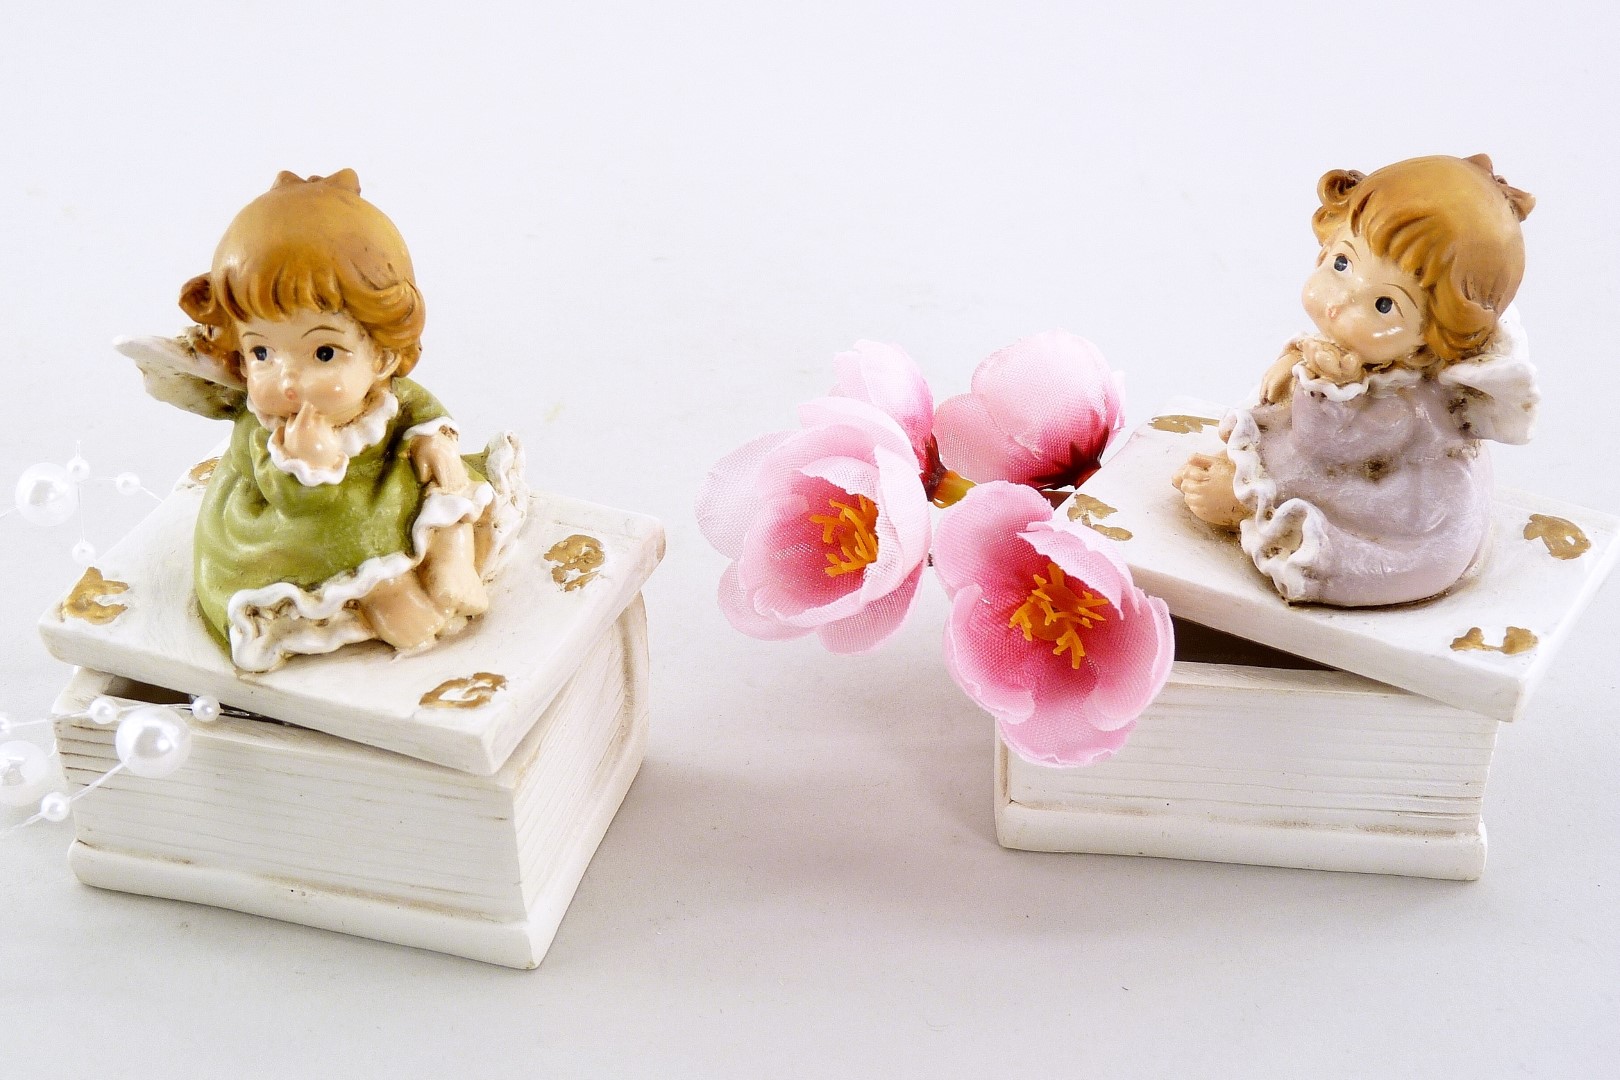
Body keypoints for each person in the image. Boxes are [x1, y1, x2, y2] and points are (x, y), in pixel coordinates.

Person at [122, 170, 525, 671]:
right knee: (352, 526)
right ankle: (388, 596)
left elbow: (417, 405)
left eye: (324, 352)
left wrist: (433, 439)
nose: (289, 379)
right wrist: (308, 465)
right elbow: (294, 504)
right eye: (262, 352)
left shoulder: (385, 394)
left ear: (382, 356)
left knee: (453, 481)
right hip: (286, 527)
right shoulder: (267, 428)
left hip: (376, 488)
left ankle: (451, 562)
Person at [1173, 155, 1537, 607]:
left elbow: (1328, 448)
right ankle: (1247, 482)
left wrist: (1325, 382)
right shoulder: (1375, 358)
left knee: (1319, 490)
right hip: (1353, 462)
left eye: (1384, 304)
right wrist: (1300, 360)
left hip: (1403, 511)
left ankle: (1248, 505)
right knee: (1279, 427)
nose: (1339, 302)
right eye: (1343, 263)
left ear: (1432, 339)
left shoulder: (1405, 406)